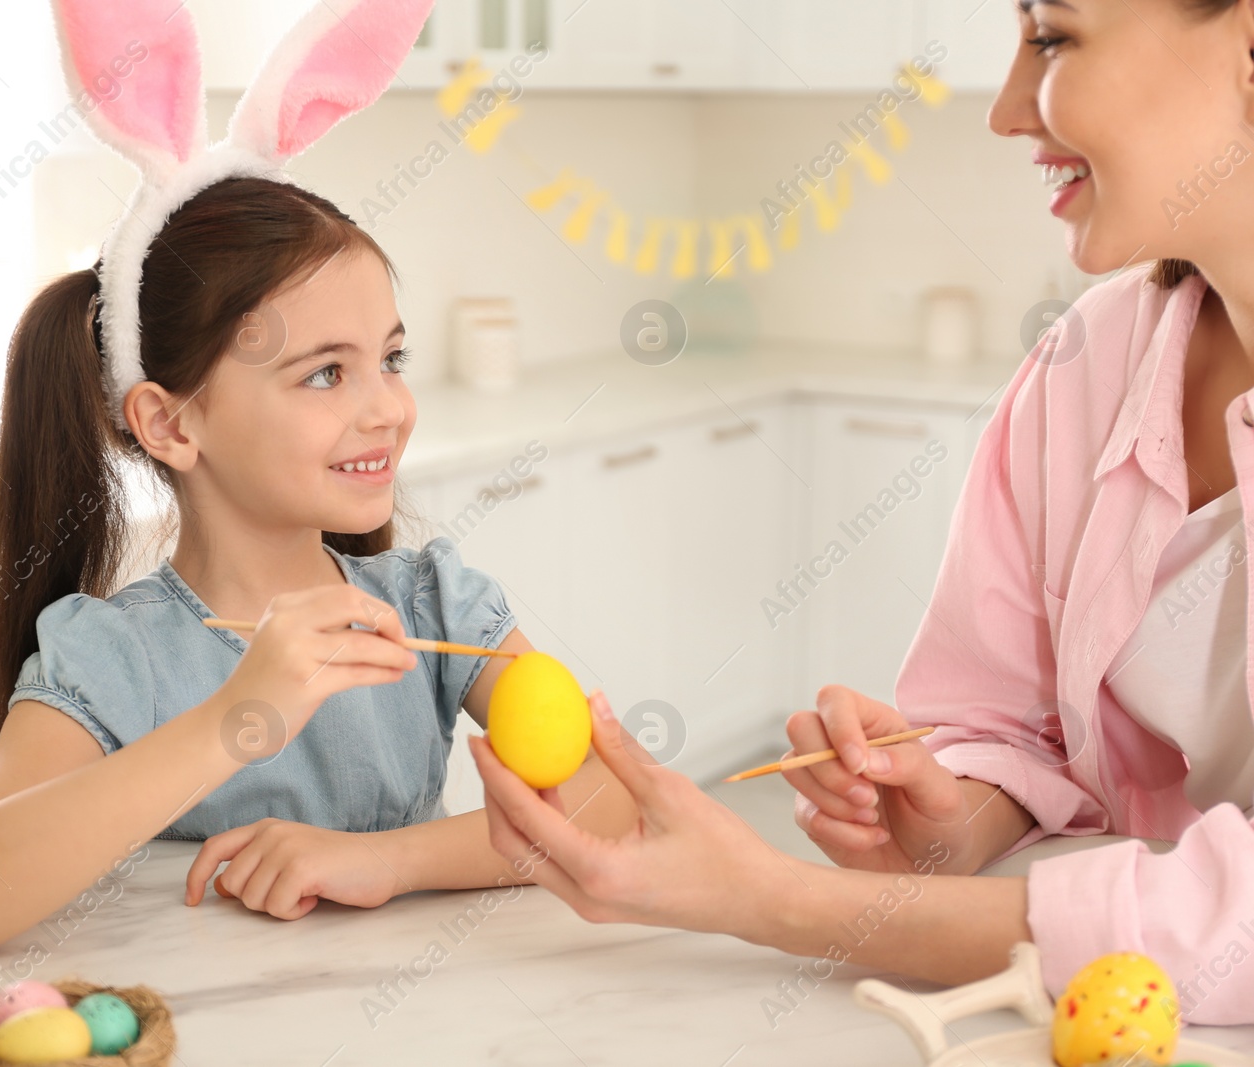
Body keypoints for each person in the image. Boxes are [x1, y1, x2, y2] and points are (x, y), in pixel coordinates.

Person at [471, 0, 1254, 1024]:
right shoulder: (1084, 367)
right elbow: (1002, 718)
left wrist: (775, 900)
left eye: (1052, 36)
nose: (1007, 109)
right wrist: (947, 818)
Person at [0, 0, 634, 967]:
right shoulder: (115, 660)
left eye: (391, 359)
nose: (389, 410)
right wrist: (237, 718)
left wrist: (386, 860)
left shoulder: (429, 605)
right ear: (172, 421)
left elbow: (612, 807)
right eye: (325, 373)